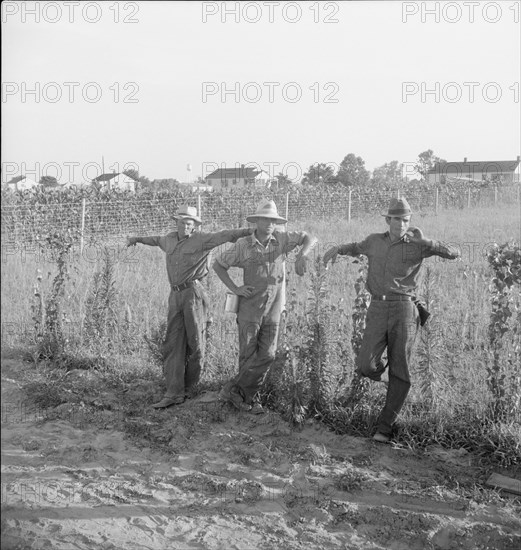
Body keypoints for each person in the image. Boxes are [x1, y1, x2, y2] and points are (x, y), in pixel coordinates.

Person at [323, 197, 460, 443]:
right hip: (377, 306)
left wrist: (427, 241)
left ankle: (384, 428)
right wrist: (337, 249)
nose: (401, 223)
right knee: (366, 364)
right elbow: (356, 246)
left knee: (401, 368)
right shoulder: (374, 241)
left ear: (409, 221)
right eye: (396, 219)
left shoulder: (418, 244)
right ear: (388, 220)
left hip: (405, 308)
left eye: (405, 220)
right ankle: (388, 377)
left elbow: (452, 253)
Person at [127, 205, 253, 409]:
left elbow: (225, 235)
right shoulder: (168, 239)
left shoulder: (202, 239)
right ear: (176, 223)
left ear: (194, 226)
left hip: (194, 294)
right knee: (173, 341)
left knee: (196, 341)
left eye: (189, 224)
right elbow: (154, 240)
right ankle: (174, 392)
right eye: (182, 222)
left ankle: (191, 388)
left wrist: (248, 231)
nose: (185, 227)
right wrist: (136, 239)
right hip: (175, 295)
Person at [213, 199, 317, 414]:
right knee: (248, 355)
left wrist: (301, 254)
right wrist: (236, 288)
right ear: (257, 221)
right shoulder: (243, 245)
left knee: (268, 355)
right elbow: (219, 264)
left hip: (273, 310)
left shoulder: (282, 240)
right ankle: (247, 399)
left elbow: (310, 237)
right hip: (250, 309)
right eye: (265, 219)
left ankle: (233, 389)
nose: (270, 223)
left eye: (273, 220)